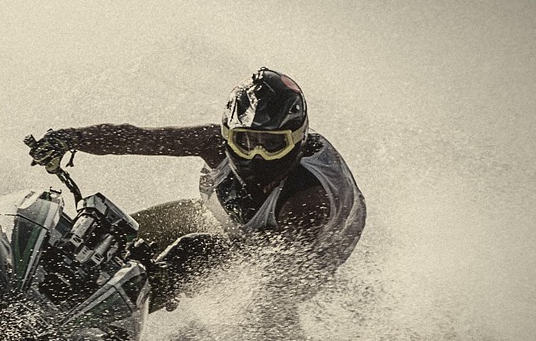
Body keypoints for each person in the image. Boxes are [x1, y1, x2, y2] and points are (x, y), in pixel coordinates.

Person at [27, 67, 365, 310]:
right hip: (236, 226)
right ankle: (49, 279)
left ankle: (106, 316)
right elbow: (139, 138)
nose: (256, 156)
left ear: (297, 139)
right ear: (227, 134)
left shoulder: (308, 201)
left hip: (307, 258)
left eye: (270, 145)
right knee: (122, 231)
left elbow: (260, 276)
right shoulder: (212, 143)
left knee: (191, 258)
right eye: (244, 141)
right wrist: (71, 138)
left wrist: (162, 275)